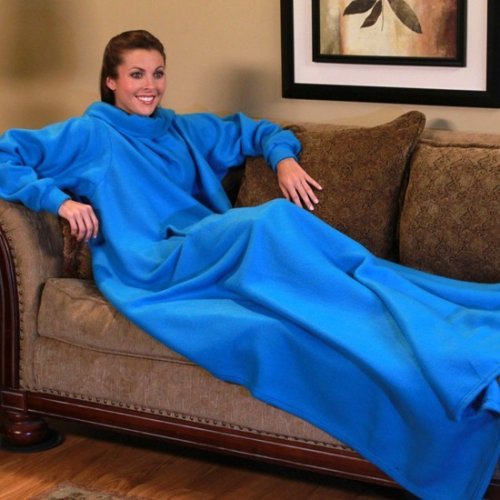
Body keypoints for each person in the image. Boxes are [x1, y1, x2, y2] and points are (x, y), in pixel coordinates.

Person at [0, 30, 498, 500]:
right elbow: (7, 154)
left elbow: (258, 131)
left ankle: (413, 325)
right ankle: (428, 334)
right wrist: (58, 200)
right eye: (136, 75)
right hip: (156, 264)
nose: (149, 86)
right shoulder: (90, 134)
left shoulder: (181, 128)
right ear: (111, 81)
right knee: (270, 220)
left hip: (209, 246)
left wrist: (283, 159)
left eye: (158, 73)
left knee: (300, 246)